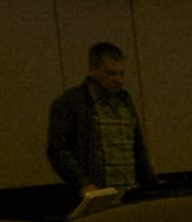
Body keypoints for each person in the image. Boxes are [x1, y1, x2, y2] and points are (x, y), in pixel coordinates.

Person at [46, 40, 159, 197]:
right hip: (99, 195)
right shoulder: (70, 103)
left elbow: (137, 148)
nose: (119, 80)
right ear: (93, 70)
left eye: (122, 73)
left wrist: (152, 183)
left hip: (132, 193)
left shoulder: (125, 101)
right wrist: (83, 183)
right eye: (111, 73)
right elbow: (58, 150)